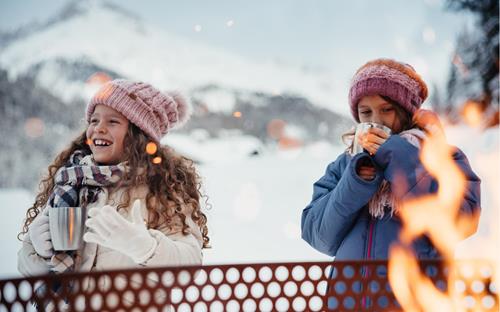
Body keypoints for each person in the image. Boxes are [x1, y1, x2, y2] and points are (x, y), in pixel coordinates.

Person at [18, 79, 209, 308]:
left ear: (138, 134)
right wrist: (38, 253)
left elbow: (189, 265)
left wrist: (145, 247)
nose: (98, 128)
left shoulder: (161, 188)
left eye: (113, 121)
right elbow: (26, 267)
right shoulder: (71, 180)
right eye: (94, 120)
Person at [301, 58, 481, 261]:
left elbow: (462, 221)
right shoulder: (345, 165)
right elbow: (319, 236)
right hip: (349, 291)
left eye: (386, 110)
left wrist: (399, 159)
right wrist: (355, 183)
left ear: (405, 112)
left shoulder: (442, 157)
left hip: (414, 290)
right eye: (366, 112)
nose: (375, 121)